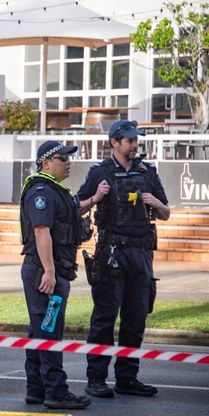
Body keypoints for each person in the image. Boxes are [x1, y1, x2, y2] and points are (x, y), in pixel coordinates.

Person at [78, 120, 170, 399]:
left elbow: (166, 213)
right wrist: (96, 197)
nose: (135, 144)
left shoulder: (148, 173)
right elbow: (75, 206)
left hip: (141, 254)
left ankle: (127, 378)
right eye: (129, 140)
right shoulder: (99, 173)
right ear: (114, 143)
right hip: (111, 254)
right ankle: (96, 378)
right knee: (104, 318)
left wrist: (155, 203)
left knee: (135, 318)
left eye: (135, 139)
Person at [18, 140, 92, 410]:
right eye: (63, 158)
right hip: (44, 271)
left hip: (52, 270)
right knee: (49, 332)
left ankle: (36, 389)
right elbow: (41, 231)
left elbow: (70, 213)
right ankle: (56, 392)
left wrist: (94, 199)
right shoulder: (42, 191)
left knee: (40, 330)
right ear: (46, 163)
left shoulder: (55, 191)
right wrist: (49, 271)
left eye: (69, 157)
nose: (68, 161)